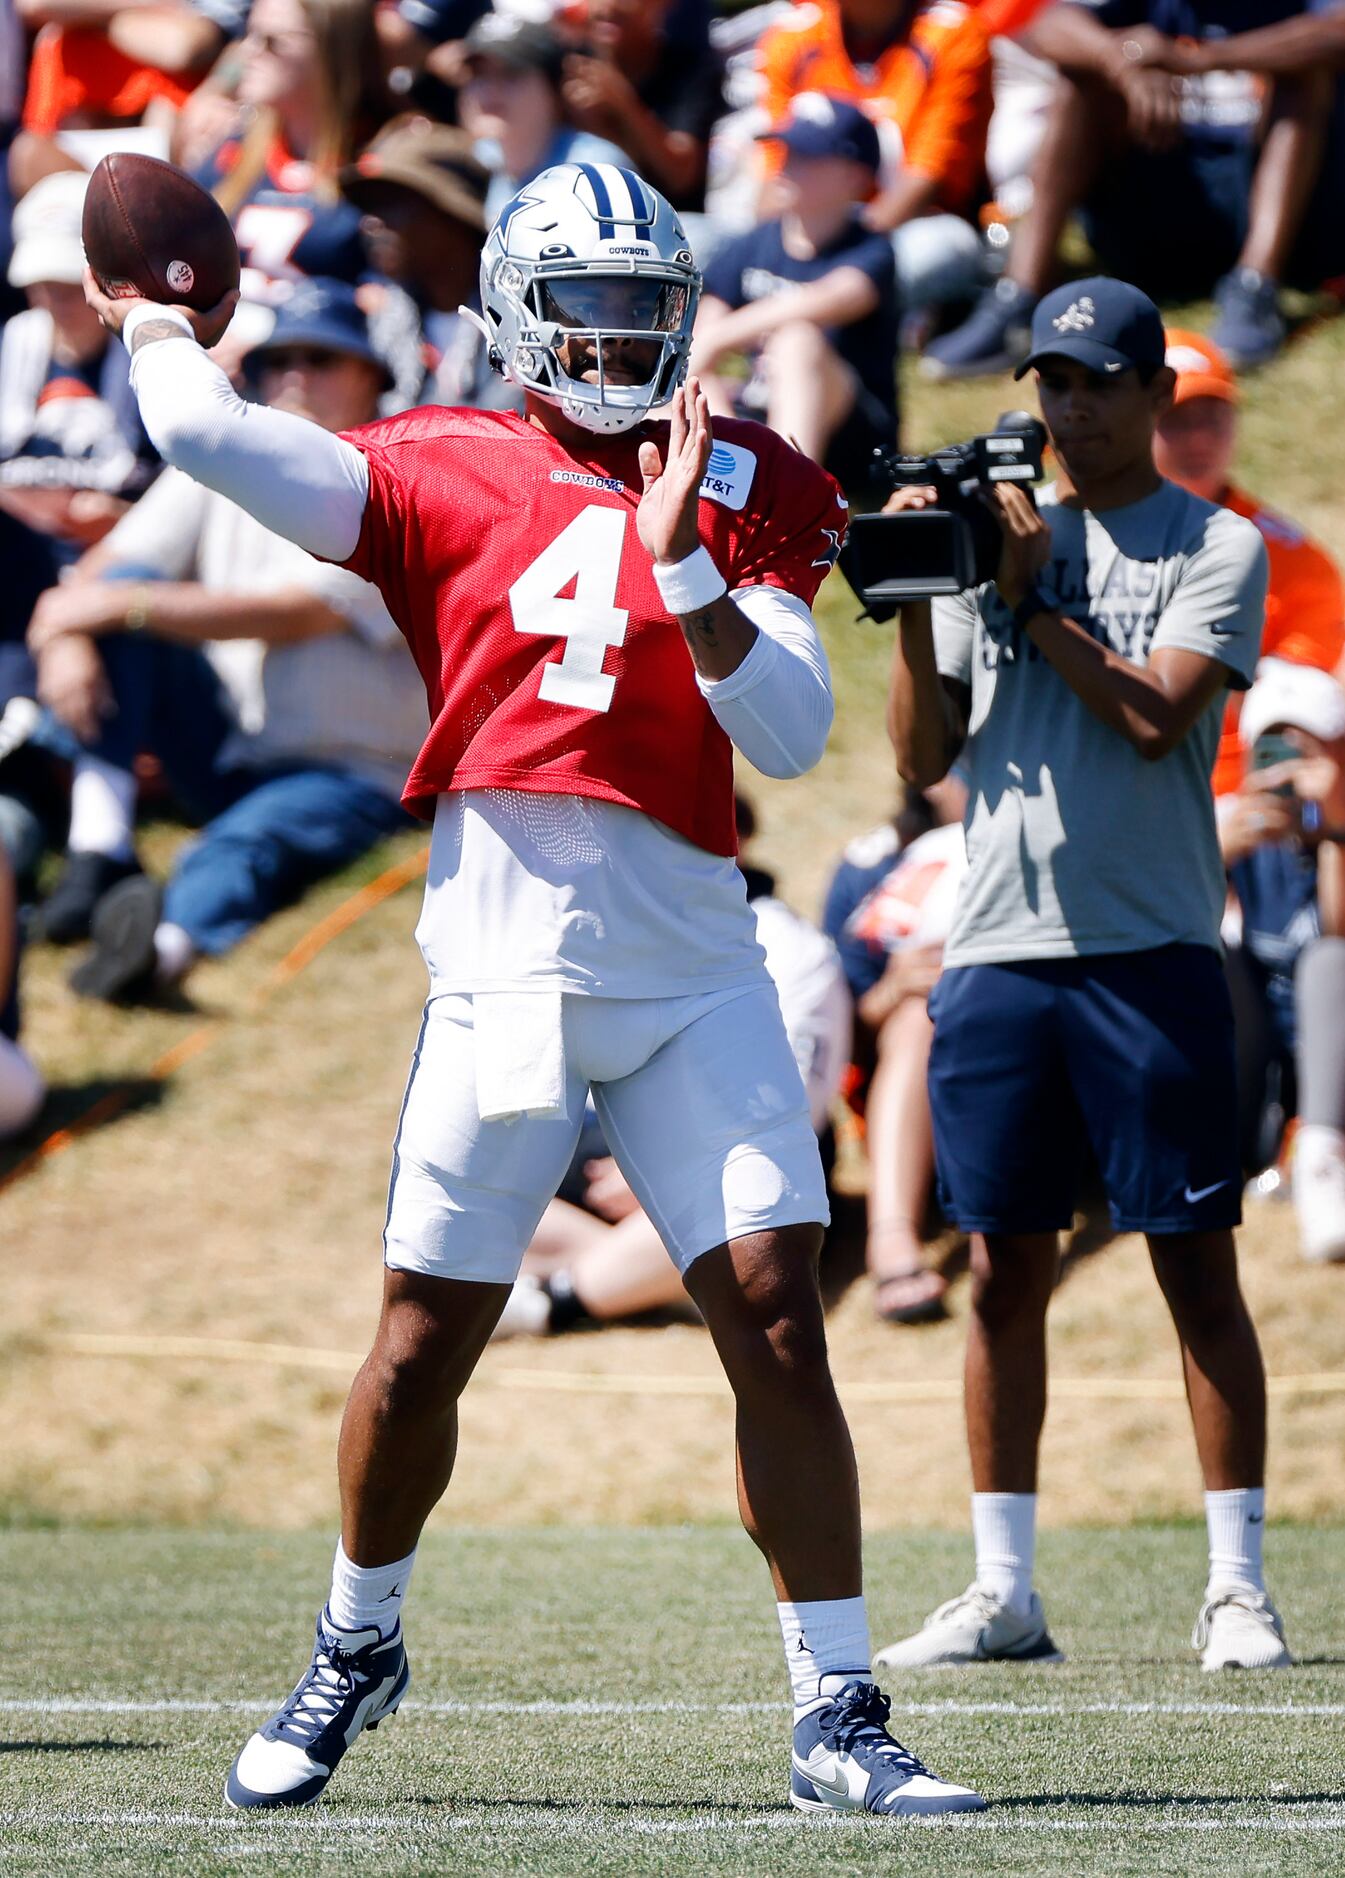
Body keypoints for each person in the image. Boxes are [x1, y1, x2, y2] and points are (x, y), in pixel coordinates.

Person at [87, 159, 985, 1817]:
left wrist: (690, 561)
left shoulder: (747, 477)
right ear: (510, 310)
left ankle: (837, 1708)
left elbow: (787, 731)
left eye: (645, 304)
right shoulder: (440, 462)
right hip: (502, 959)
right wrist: (155, 325)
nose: (617, 334)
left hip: (695, 957)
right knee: (424, 1341)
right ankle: (357, 1635)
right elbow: (212, 435)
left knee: (779, 1318)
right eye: (583, 303)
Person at [877, 275, 1291, 1674]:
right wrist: (920, 599)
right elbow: (922, 756)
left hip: (1156, 952)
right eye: (1053, 383)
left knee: (1194, 1268)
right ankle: (1005, 1590)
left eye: (1100, 382)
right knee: (1002, 1271)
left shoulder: (1213, 544)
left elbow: (1155, 715)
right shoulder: (994, 535)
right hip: (998, 950)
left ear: (1156, 396)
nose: (1074, 407)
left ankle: (1235, 1584)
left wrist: (1028, 594)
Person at [28, 279, 423, 983]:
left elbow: (303, 610)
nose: (295, 377)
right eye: (278, 362)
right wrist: (64, 637)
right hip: (227, 748)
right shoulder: (225, 466)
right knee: (117, 602)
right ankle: (99, 844)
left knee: (246, 842)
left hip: (351, 768)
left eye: (320, 359)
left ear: (374, 379)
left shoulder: (393, 474)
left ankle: (158, 952)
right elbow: (97, 580)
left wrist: (112, 608)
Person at [495, 803, 853, 1338]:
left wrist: (655, 1167)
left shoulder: (789, 945)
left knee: (758, 1186)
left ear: (737, 838)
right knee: (487, 1167)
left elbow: (798, 1101)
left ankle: (560, 1300)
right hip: (603, 1148)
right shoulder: (599, 930)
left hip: (733, 1150)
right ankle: (680, 1278)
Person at [925, 1, 1345, 379]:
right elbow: (1050, 23)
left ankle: (1256, 288)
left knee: (1303, 71)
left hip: (1290, 225)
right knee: (1081, 77)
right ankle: (1020, 296)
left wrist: (1196, 59)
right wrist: (1120, 59)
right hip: (1157, 211)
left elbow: (1335, 31)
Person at [1152, 326, 1345, 799]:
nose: (1198, 436)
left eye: (1213, 416)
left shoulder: (1291, 557)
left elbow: (1304, 706)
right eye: (1177, 419)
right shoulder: (1074, 535)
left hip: (1239, 801)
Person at [692, 95, 899, 492]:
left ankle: (787, 498)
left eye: (808, 155)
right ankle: (725, 472)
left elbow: (830, 298)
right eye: (787, 150)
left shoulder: (870, 249)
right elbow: (701, 338)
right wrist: (703, 358)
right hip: (766, 412)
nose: (788, 164)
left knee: (798, 339)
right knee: (680, 375)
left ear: (855, 177)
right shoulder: (753, 243)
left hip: (855, 441)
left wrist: (717, 340)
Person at [753, 0, 992, 321]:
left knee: (935, 249)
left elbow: (927, 176)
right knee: (706, 239)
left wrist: (850, 256)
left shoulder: (952, 31)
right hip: (807, 223)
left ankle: (801, 307)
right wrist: (772, 252)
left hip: (906, 226)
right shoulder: (792, 33)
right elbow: (775, 175)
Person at [1220, 659, 1345, 1265]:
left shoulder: (1337, 833)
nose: (1286, 772)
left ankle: (1321, 1163)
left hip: (1329, 1052)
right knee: (1211, 955)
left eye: (1306, 752)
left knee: (1327, 961)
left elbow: (1338, 931)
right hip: (1259, 1054)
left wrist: (1331, 836)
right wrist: (1217, 856)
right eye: (1270, 752)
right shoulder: (1226, 827)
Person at [456, 14, 628, 228]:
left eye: (511, 73)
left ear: (554, 90)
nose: (489, 89)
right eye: (478, 74)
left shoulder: (595, 172)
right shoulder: (478, 158)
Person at [562, 0, 724, 212]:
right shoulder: (565, 65)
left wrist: (623, 102)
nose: (607, 8)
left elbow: (681, 176)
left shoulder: (691, 72)